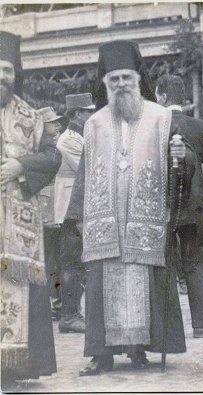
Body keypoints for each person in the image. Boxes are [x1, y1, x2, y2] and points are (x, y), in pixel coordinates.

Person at [65, 40, 193, 375]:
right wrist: (77, 215)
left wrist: (183, 158)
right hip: (103, 221)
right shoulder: (94, 123)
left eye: (126, 78)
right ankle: (101, 355)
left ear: (138, 79)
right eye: (114, 79)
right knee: (99, 287)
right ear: (105, 83)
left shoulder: (161, 118)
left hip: (145, 219)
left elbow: (183, 161)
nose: (121, 84)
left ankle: (140, 352)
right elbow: (84, 172)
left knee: (145, 283)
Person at [0, 31, 58, 387]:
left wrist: (21, 165)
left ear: (15, 74)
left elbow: (52, 156)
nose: (0, 77)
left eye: (6, 70)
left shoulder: (32, 116)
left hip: (18, 229)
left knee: (17, 289)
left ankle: (16, 368)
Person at [155, 74, 203, 338]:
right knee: (194, 264)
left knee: (165, 264)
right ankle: (201, 325)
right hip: (192, 205)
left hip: (163, 206)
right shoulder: (201, 127)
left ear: (162, 96)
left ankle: (169, 329)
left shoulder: (156, 124)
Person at [56, 93, 96, 334]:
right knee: (71, 262)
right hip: (71, 208)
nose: (91, 115)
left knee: (77, 262)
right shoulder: (69, 140)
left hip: (78, 205)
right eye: (88, 111)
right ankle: (69, 315)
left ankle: (72, 313)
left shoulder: (79, 136)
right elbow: (88, 167)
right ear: (78, 114)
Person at [37, 107, 67, 321]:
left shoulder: (53, 145)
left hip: (53, 209)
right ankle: (54, 304)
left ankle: (55, 303)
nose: (57, 125)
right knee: (52, 260)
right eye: (52, 122)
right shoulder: (45, 147)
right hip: (48, 211)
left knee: (53, 260)